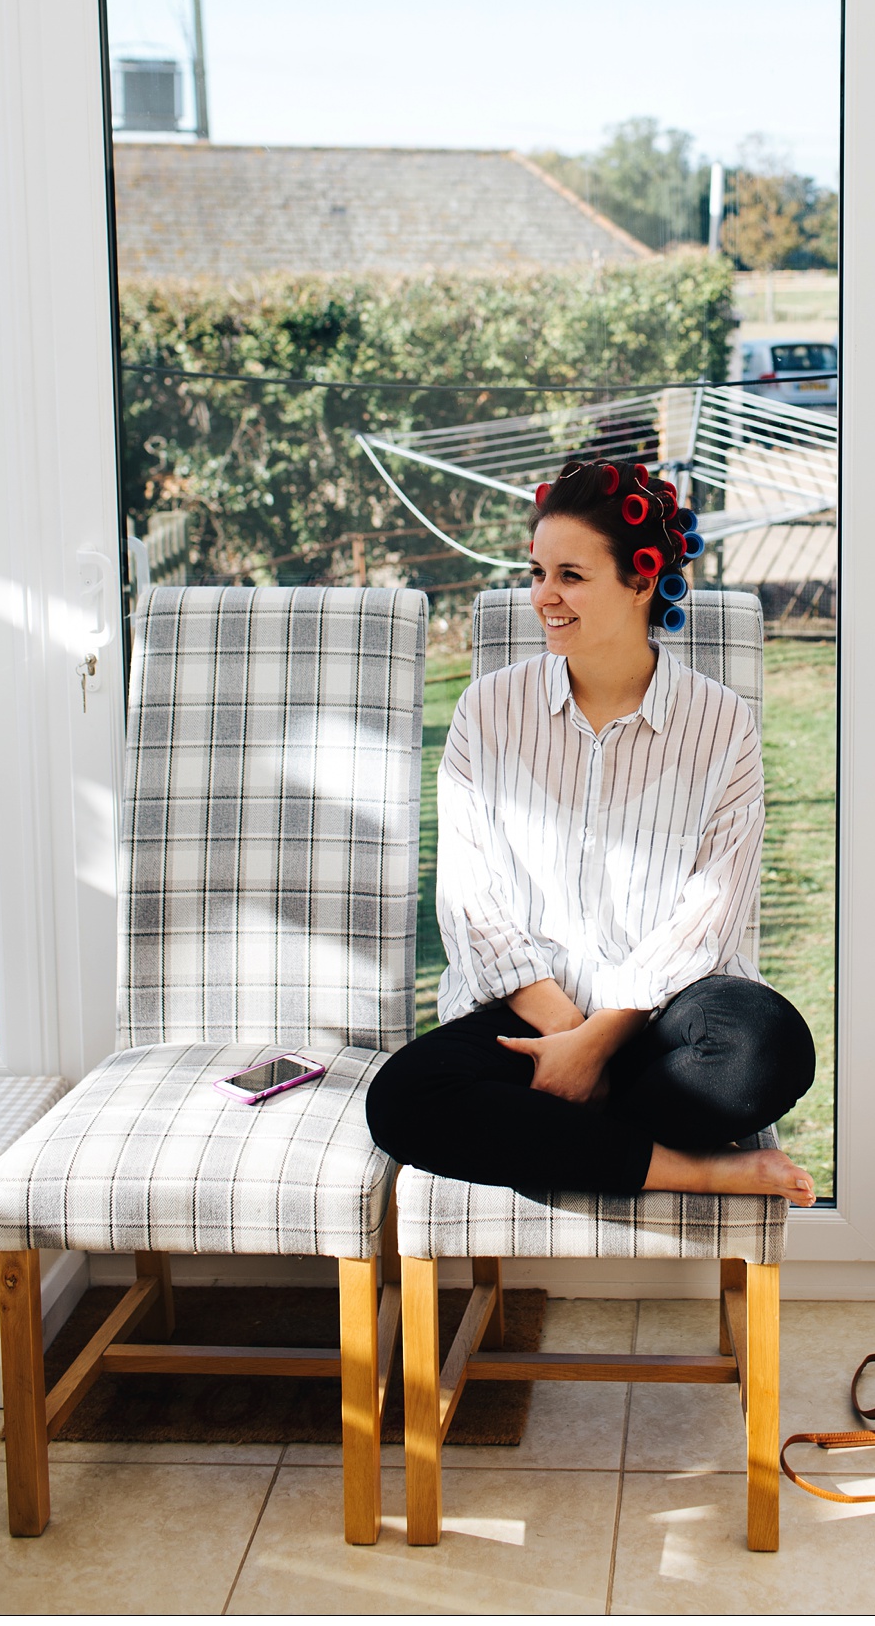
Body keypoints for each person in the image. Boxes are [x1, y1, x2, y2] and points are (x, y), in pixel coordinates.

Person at [366, 455, 817, 1205]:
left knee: (766, 1052)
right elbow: (469, 899)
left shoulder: (720, 724)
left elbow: (710, 915)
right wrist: (564, 1035)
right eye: (537, 572)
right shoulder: (487, 710)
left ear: (642, 581)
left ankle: (552, 1130)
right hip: (526, 1010)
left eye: (570, 576)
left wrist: (596, 1046)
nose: (544, 596)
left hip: (666, 1018)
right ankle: (697, 1168)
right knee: (403, 1101)